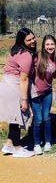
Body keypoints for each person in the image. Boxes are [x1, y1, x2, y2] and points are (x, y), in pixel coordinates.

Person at [0, 28, 37, 158]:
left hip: (6, 83)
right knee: (17, 117)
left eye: (33, 38)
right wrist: (24, 99)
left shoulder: (16, 50)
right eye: (29, 40)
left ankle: (8, 145)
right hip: (14, 86)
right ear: (22, 41)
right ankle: (17, 148)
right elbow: (24, 79)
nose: (33, 41)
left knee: (13, 117)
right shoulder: (26, 55)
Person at [30, 35, 56, 155]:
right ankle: (37, 144)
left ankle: (48, 141)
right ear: (43, 46)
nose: (50, 47)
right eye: (47, 44)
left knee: (47, 117)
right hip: (35, 93)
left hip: (47, 92)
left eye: (52, 44)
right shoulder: (37, 56)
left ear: (55, 46)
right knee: (38, 118)